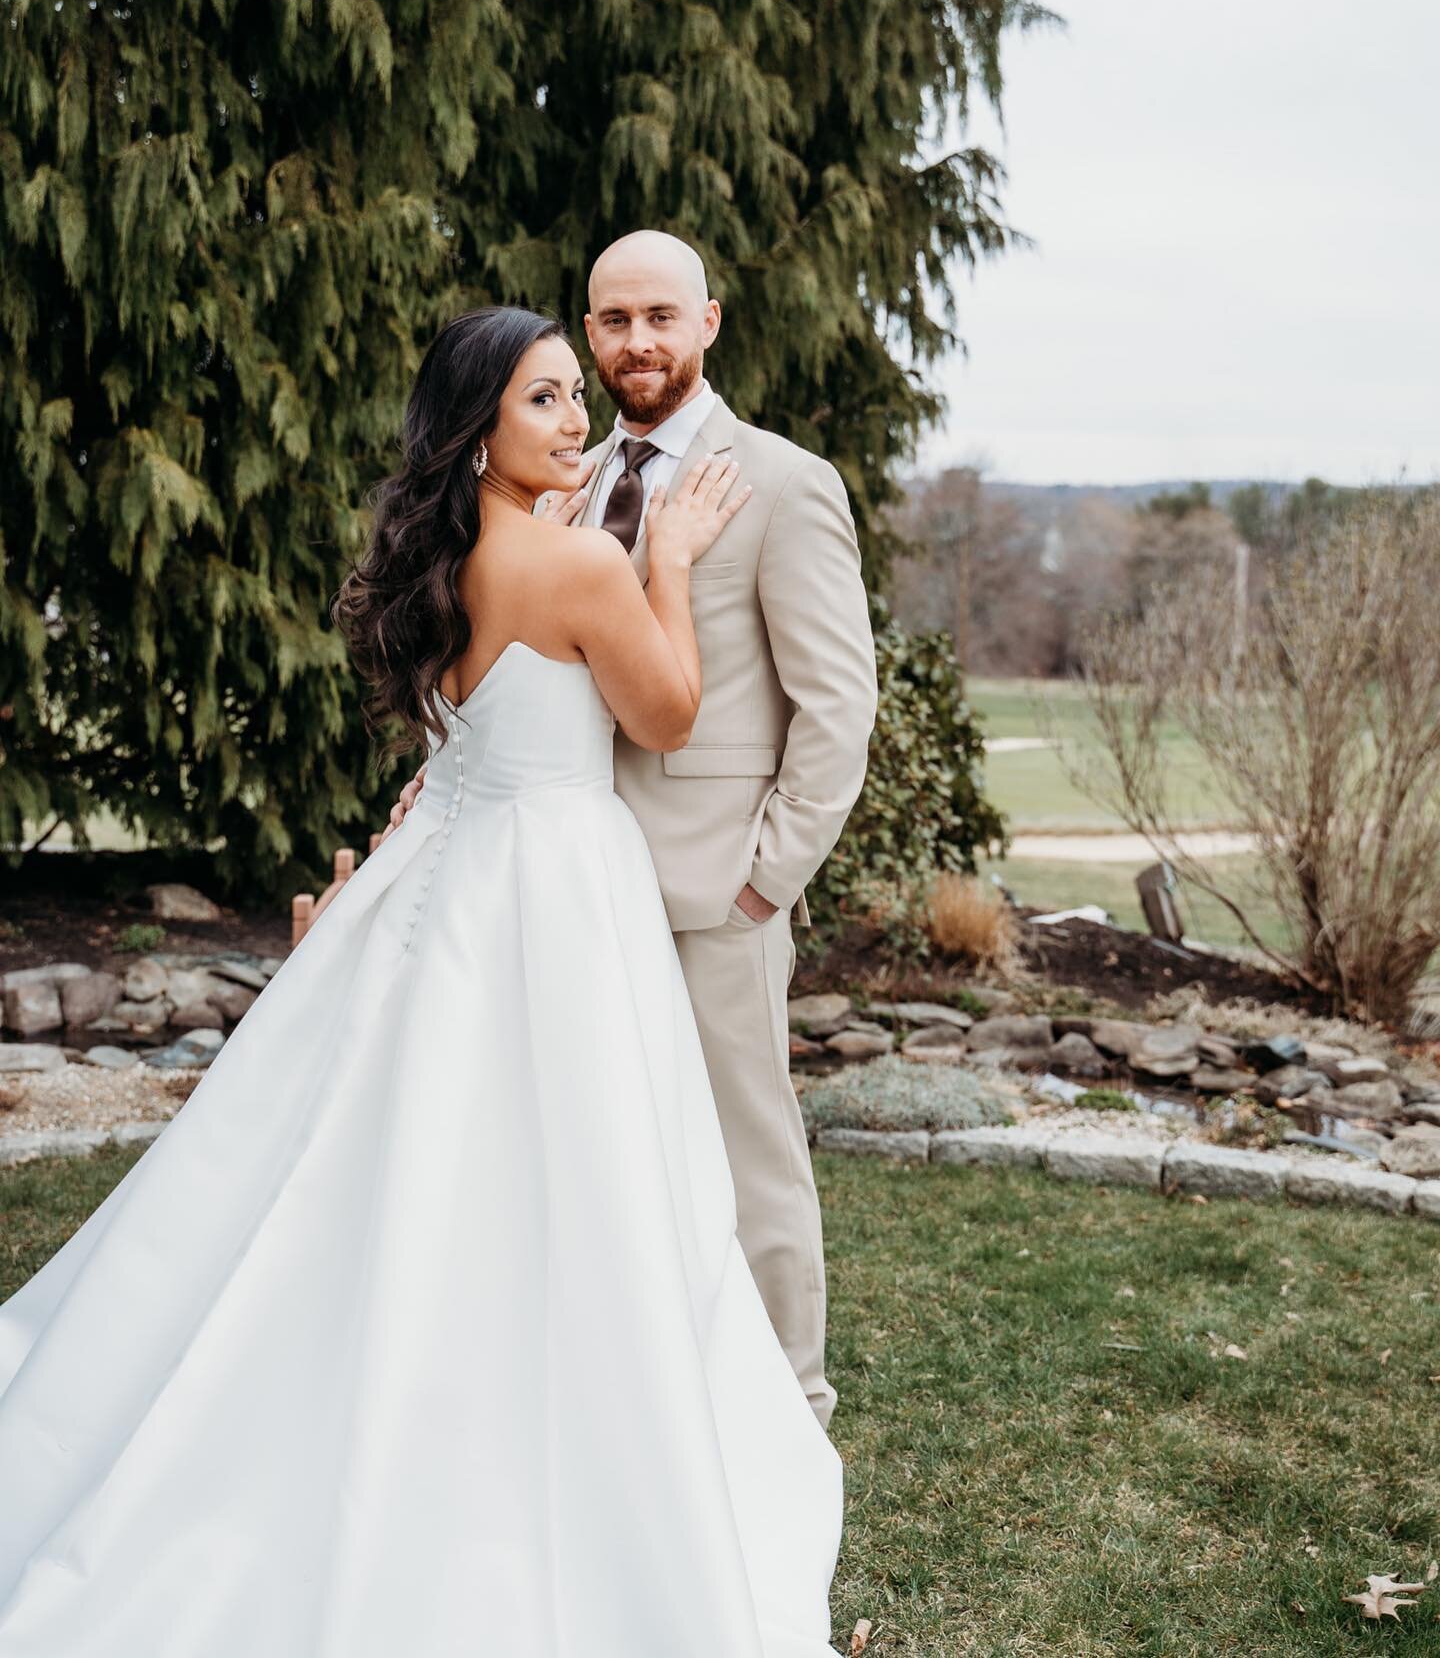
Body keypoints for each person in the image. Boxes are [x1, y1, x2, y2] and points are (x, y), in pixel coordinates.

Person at [0, 307, 842, 1656]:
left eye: (576, 397)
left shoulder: (442, 559)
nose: (575, 422)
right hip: (554, 894)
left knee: (375, 1157)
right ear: (479, 429)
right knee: (567, 1173)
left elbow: (465, 742)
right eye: (545, 401)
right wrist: (669, 559)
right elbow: (670, 715)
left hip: (447, 874)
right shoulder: (578, 567)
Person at [392, 232, 878, 1430]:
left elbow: (838, 705)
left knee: (744, 1150)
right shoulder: (560, 470)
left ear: (710, 323)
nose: (635, 343)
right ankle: (641, 1400)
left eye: (661, 316)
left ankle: (789, 1405)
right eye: (611, 321)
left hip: (713, 890)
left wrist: (764, 883)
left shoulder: (782, 481)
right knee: (591, 1153)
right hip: (564, 890)